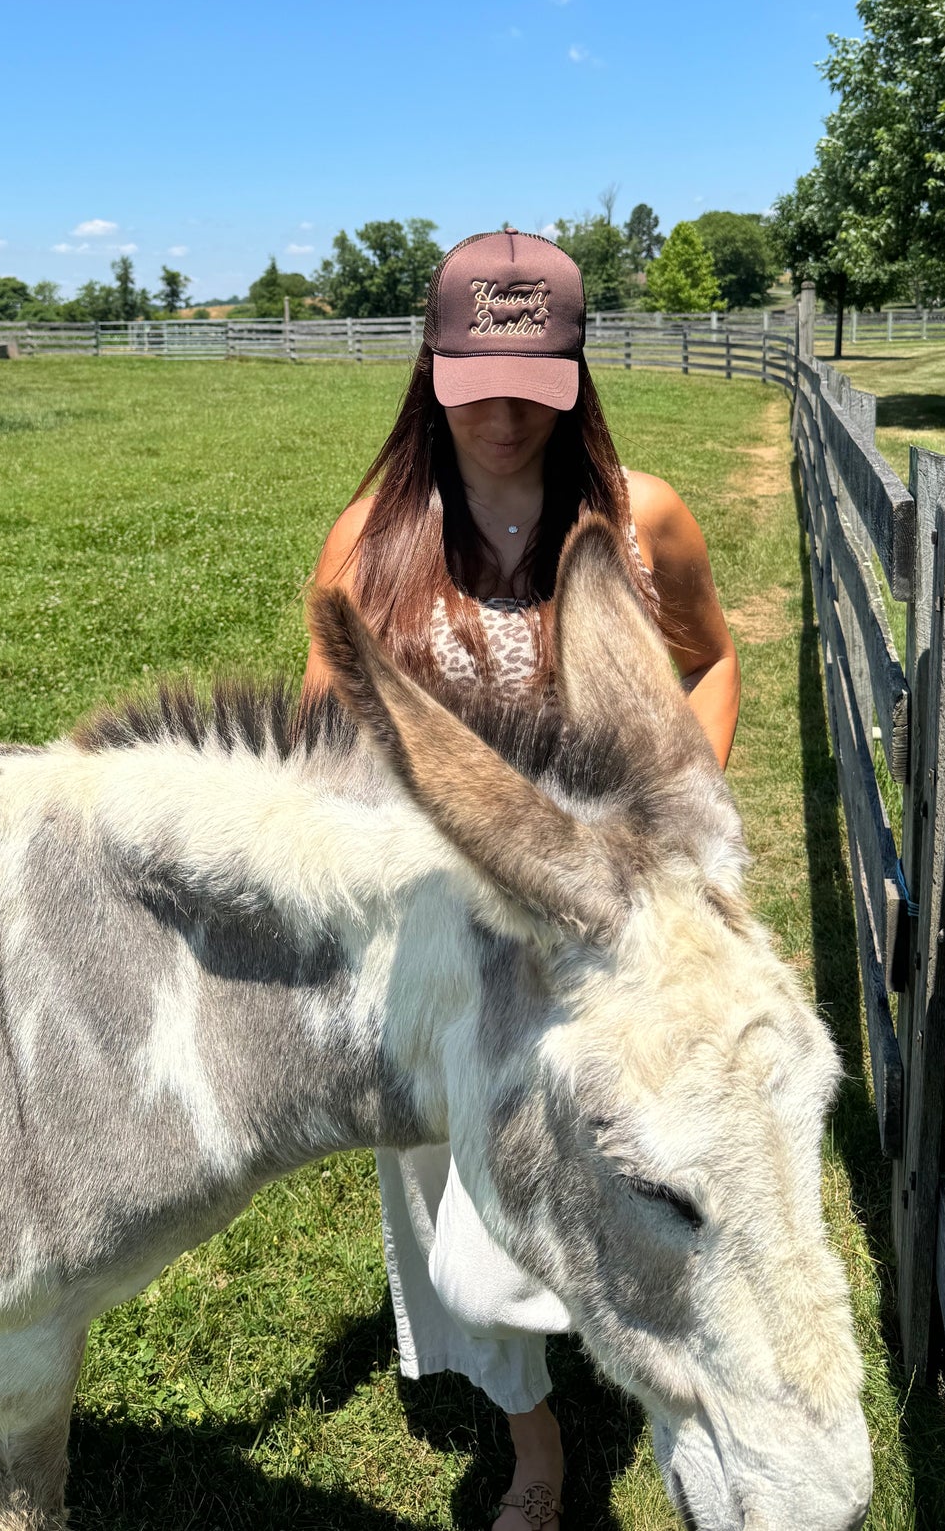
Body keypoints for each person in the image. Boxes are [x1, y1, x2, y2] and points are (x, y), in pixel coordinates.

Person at [303, 228, 739, 1531]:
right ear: (431, 369)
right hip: (443, 945)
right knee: (462, 1216)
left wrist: (683, 809)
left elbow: (710, 661)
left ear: (574, 370)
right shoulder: (375, 540)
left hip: (607, 930)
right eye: (476, 380)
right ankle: (536, 1446)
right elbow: (323, 741)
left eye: (532, 383)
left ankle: (685, 1380)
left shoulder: (640, 517)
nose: (502, 415)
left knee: (641, 1176)